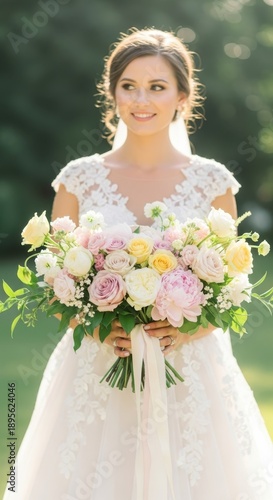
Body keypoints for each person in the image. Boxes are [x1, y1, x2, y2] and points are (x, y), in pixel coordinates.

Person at [4, 27, 273, 500]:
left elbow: (231, 289)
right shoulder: (78, 180)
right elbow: (57, 286)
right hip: (98, 365)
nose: (141, 99)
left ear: (182, 97)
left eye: (156, 86)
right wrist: (98, 326)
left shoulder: (213, 183)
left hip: (189, 370)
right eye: (128, 86)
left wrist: (190, 330)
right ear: (111, 94)